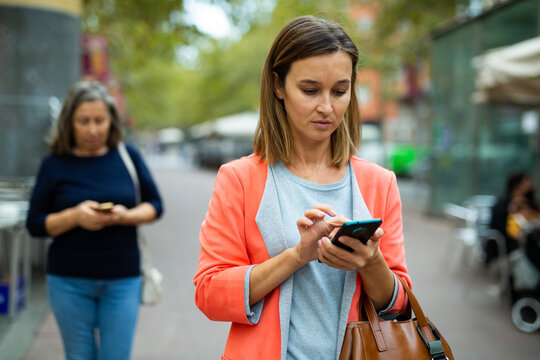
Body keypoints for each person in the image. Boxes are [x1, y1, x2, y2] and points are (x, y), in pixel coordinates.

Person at [193, 16, 410, 359]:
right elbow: (210, 293)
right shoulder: (239, 179)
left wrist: (370, 262)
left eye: (340, 91)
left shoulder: (379, 183)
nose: (327, 106)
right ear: (278, 86)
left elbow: (398, 306)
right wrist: (297, 256)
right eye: (310, 90)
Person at [26, 81, 163, 360]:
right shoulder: (53, 164)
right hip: (68, 280)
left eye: (99, 121)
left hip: (123, 278)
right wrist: (75, 216)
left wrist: (125, 217)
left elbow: (155, 205)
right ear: (69, 123)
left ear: (111, 121)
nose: (92, 129)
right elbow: (35, 224)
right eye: (83, 121)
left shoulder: (128, 156)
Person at [488, 172, 536, 262]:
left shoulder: (529, 202)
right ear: (517, 184)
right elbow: (500, 226)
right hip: (508, 242)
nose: (530, 183)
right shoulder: (504, 203)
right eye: (527, 180)